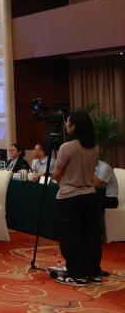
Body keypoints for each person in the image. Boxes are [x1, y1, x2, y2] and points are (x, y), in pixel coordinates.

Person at [50, 112, 103, 286]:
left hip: (70, 197)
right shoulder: (95, 147)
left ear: (74, 126)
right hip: (90, 195)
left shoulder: (67, 147)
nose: (65, 125)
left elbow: (57, 173)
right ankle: (93, 272)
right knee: (90, 236)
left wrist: (64, 185)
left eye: (68, 122)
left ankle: (76, 274)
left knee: (71, 237)